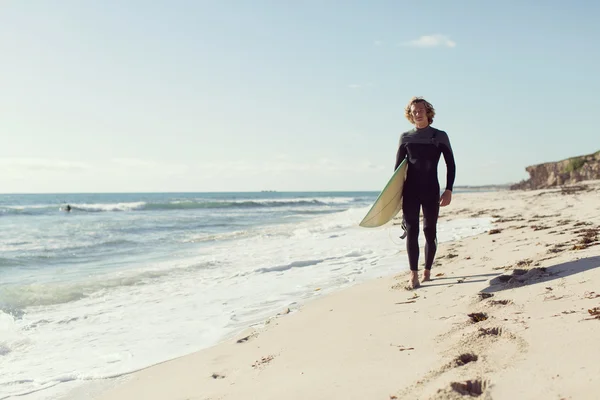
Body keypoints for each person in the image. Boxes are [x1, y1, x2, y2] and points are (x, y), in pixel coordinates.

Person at [394, 97, 456, 289]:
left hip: (431, 190)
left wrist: (448, 190)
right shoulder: (405, 137)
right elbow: (397, 171)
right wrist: (394, 198)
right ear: (410, 115)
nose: (418, 113)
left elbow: (450, 164)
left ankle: (427, 269)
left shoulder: (440, 136)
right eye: (414, 111)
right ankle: (413, 274)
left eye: (421, 110)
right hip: (410, 191)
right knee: (412, 231)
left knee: (430, 231)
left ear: (428, 111)